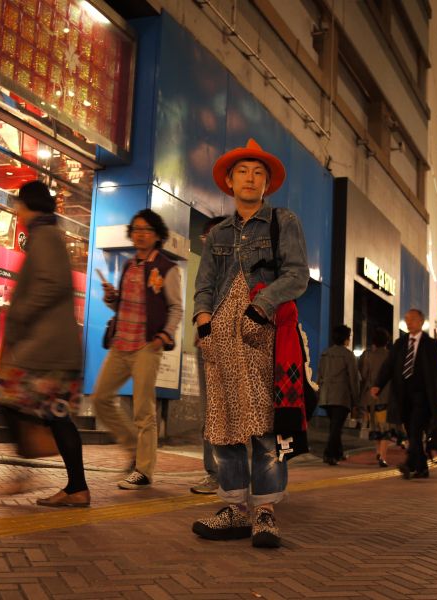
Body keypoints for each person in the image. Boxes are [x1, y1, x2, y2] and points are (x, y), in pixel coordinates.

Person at [191, 139, 308, 548]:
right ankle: (234, 509)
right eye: (242, 171)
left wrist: (261, 306)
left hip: (263, 335)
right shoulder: (218, 233)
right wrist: (204, 323)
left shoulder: (282, 221)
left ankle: (265, 511)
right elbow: (204, 285)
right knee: (223, 424)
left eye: (259, 173)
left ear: (267, 183)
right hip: (220, 338)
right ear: (229, 180)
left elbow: (297, 275)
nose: (250, 178)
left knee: (264, 425)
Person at [0, 181, 88, 507]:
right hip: (53, 351)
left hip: (45, 352)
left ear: (28, 205)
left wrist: (19, 314)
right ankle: (76, 488)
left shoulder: (45, 236)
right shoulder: (48, 235)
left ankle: (28, 465)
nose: (16, 211)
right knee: (57, 417)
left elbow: (51, 284)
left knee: (4, 397)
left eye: (18, 205)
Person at [91, 209, 183, 490]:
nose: (140, 234)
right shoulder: (129, 266)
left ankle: (144, 471)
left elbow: (176, 307)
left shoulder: (166, 268)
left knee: (143, 410)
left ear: (157, 235)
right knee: (100, 398)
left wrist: (164, 336)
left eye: (146, 230)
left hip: (146, 345)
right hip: (120, 343)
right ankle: (133, 447)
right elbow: (123, 306)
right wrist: (112, 299)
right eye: (136, 229)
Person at [371, 308, 437, 480]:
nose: (408, 322)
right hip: (402, 396)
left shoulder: (431, 345)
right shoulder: (400, 343)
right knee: (412, 432)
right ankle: (420, 467)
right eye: (406, 319)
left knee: (415, 429)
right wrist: (378, 385)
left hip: (423, 396)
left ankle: (410, 464)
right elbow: (389, 366)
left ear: (421, 322)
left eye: (412, 319)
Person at [190, 215, 226, 495]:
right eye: (207, 238)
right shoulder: (206, 270)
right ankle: (214, 472)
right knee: (210, 410)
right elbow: (202, 300)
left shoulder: (238, 267)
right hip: (207, 345)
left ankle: (232, 474)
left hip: (235, 346)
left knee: (232, 411)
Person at [318, 325, 360, 466]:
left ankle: (338, 452)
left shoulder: (325, 354)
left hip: (326, 396)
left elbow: (320, 375)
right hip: (341, 396)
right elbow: (353, 379)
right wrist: (356, 400)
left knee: (335, 426)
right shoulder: (348, 355)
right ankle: (329, 454)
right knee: (336, 427)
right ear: (346, 339)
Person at [358, 328, 394, 467]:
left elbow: (363, 375)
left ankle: (378, 452)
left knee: (375, 426)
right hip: (387, 396)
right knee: (385, 426)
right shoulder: (390, 356)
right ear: (387, 341)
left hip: (371, 398)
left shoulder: (368, 356)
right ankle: (383, 457)